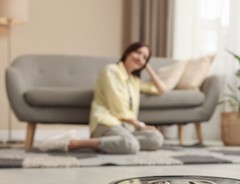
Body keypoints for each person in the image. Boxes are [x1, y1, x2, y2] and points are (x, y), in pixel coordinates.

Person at [37, 42, 167, 154]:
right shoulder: (111, 70)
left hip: (126, 129)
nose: (140, 58)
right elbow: (118, 106)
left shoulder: (134, 80)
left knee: (156, 138)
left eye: (145, 57)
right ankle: (74, 143)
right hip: (106, 123)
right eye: (138, 53)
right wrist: (141, 125)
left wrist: (148, 66)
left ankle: (119, 143)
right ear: (128, 52)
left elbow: (161, 90)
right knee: (131, 145)